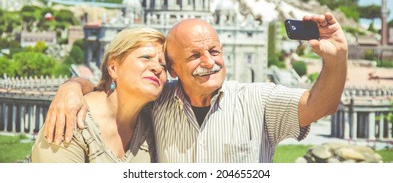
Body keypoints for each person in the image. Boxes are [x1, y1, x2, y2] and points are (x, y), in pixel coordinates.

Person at [43, 12, 348, 163]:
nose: (209, 62)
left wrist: (336, 60)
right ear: (173, 69)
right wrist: (70, 87)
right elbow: (109, 87)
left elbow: (321, 105)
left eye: (214, 51)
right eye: (194, 55)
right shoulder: (155, 99)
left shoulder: (257, 98)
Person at [32, 27, 167, 162]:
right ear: (113, 68)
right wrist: (71, 86)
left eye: (164, 65)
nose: (158, 68)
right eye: (146, 57)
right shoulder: (70, 120)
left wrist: (74, 84)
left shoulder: (155, 122)